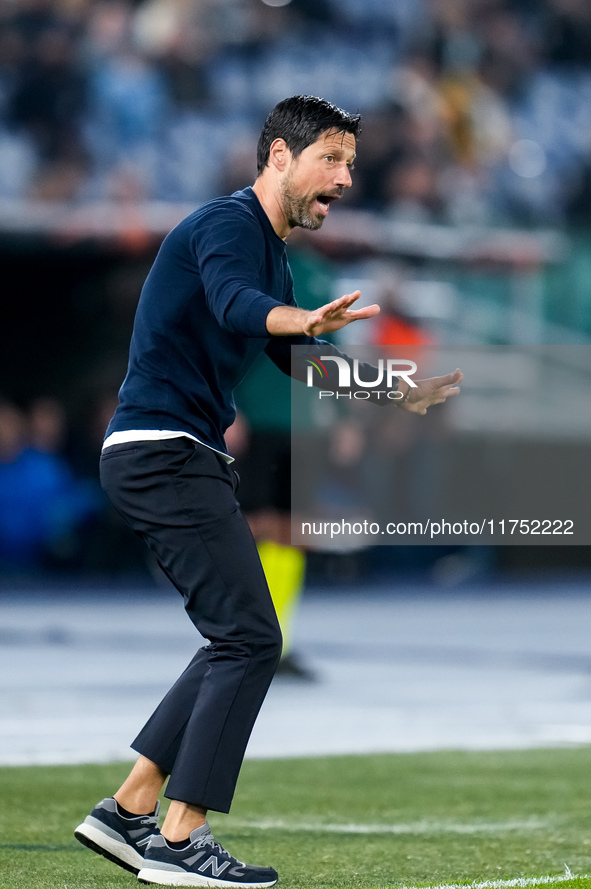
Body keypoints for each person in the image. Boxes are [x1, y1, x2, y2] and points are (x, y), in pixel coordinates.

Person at [74, 94, 463, 888]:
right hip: (163, 452)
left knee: (235, 634)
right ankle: (181, 841)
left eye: (350, 162)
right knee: (251, 638)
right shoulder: (227, 227)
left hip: (172, 454)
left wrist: (394, 389)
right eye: (330, 158)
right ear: (278, 158)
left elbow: (297, 359)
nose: (345, 177)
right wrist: (295, 317)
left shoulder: (273, 253)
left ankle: (128, 810)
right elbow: (236, 304)